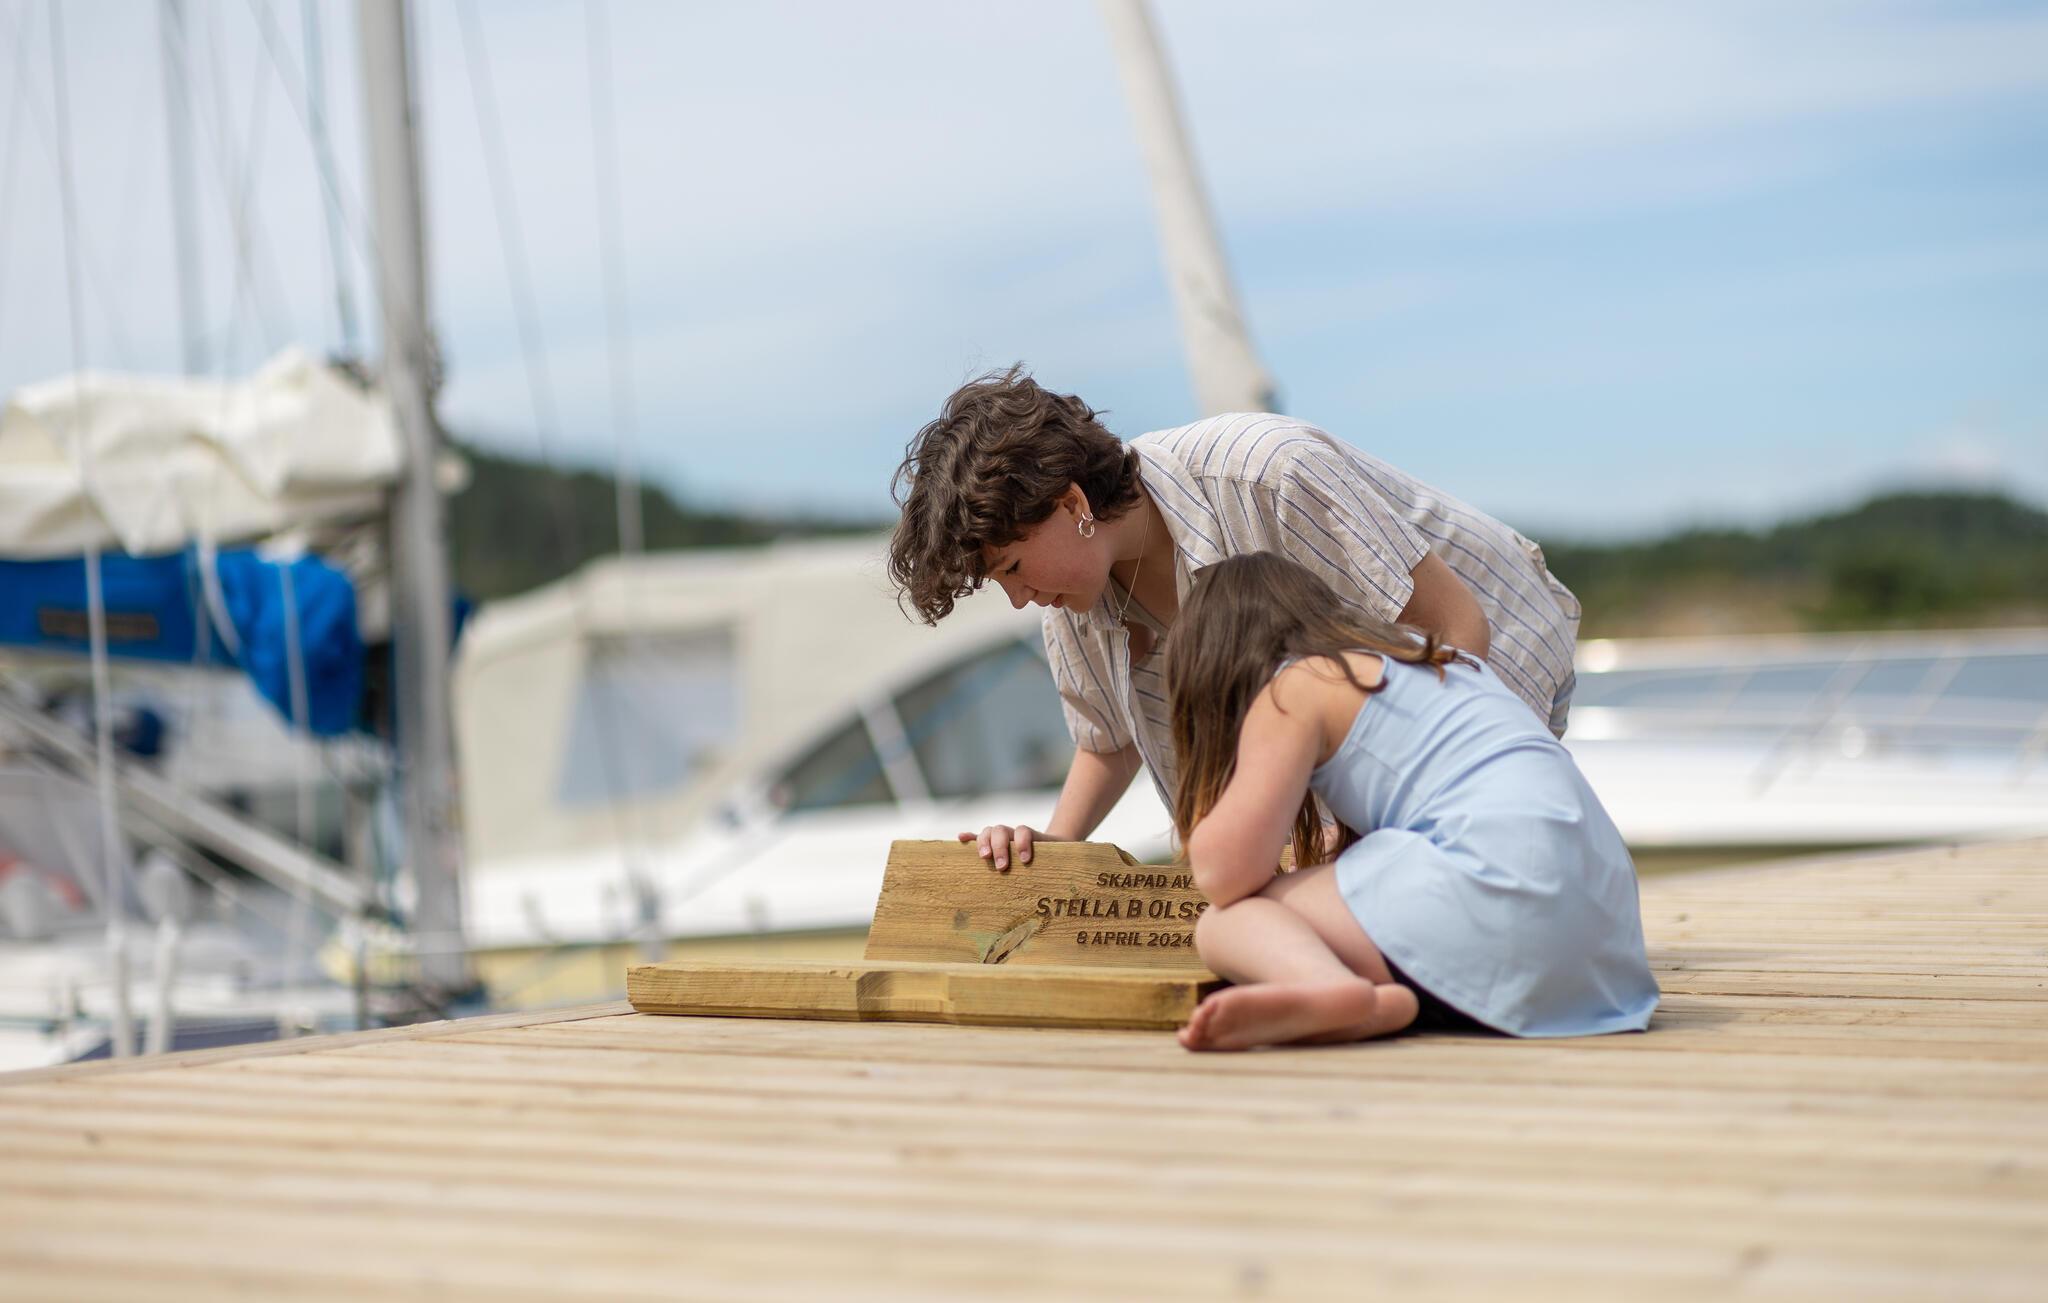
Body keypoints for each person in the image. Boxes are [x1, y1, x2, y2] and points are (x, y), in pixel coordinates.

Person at [885, 365, 1583, 870]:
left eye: (1011, 567)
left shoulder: (1271, 473)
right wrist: (1051, 849)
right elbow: (1109, 741)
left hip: (1495, 646)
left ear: (1073, 505)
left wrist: (1373, 828)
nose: (1017, 598)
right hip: (1368, 728)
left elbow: (1455, 629)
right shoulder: (1070, 595)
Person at [1165, 551, 1658, 1050]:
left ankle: (1325, 987)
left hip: (1503, 902)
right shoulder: (1434, 659)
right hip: (1603, 954)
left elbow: (1224, 875)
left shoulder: (1296, 684)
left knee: (1225, 923)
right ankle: (1376, 1006)